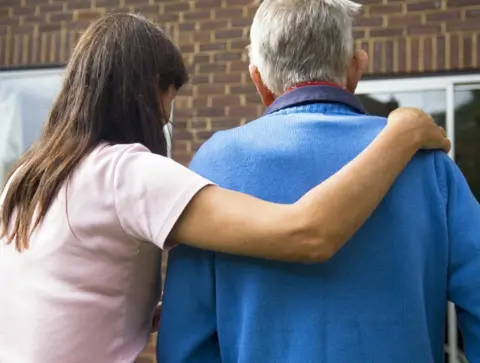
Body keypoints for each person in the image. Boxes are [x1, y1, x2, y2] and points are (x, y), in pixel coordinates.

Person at [0, 13, 448, 363]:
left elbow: (70, 285)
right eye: (169, 97)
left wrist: (146, 309)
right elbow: (308, 232)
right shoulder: (126, 174)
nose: (165, 117)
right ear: (145, 91)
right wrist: (402, 133)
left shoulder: (29, 177)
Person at [157, 1, 480, 363]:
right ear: (356, 67)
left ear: (258, 80)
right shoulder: (424, 160)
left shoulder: (214, 165)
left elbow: (183, 345)